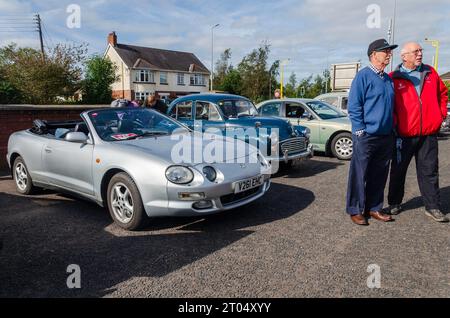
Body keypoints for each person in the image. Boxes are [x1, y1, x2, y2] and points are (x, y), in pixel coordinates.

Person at [387, 42, 449, 222]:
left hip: (428, 134)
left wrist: (441, 115)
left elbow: (442, 95)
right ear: (404, 56)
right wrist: (395, 124)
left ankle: (433, 206)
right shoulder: (393, 78)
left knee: (429, 171)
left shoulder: (430, 73)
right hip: (403, 135)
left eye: (421, 50)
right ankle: (394, 203)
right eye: (416, 51)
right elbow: (388, 105)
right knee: (398, 170)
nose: (420, 54)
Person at [346, 39, 398, 225]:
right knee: (359, 174)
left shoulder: (388, 78)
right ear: (374, 55)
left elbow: (391, 107)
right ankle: (355, 209)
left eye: (390, 52)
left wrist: (393, 128)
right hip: (366, 135)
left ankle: (374, 208)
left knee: (379, 174)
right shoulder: (363, 76)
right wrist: (360, 130)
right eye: (386, 51)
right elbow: (354, 105)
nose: (389, 54)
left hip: (385, 136)